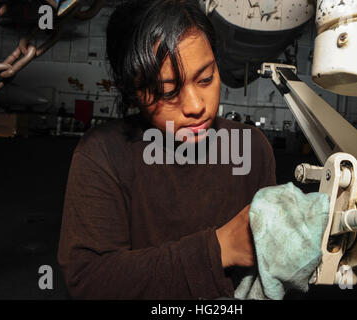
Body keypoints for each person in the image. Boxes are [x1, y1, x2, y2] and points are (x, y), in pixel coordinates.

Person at [58, 0, 276, 299]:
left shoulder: (251, 148)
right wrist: (218, 250)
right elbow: (90, 280)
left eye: (206, 79)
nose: (196, 106)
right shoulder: (102, 154)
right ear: (132, 91)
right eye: (167, 92)